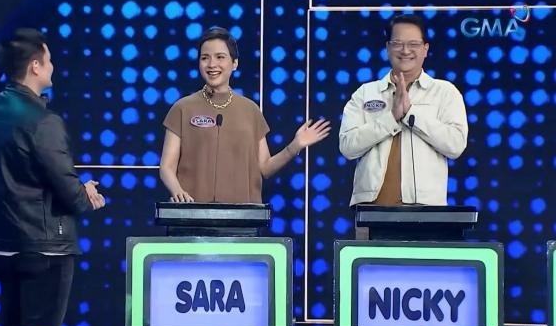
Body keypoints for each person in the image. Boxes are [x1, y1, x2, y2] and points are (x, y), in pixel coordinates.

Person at [0, 28, 105, 326]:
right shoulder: (44, 121)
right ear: (35, 66)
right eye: (48, 60)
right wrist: (85, 193)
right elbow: (68, 190)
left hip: (1, 246)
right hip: (43, 249)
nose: (52, 66)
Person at [159, 26, 331, 203]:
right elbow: (166, 167)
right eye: (205, 58)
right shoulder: (182, 108)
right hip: (192, 212)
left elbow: (265, 168)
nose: (211, 64)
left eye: (220, 57)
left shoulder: (250, 110)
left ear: (234, 63)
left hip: (242, 214)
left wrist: (295, 146)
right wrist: (178, 192)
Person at [339, 14, 468, 210]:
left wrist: (410, 114)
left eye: (413, 44)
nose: (405, 50)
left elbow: (455, 145)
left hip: (426, 208)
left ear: (425, 49)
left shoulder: (445, 92)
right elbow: (347, 146)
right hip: (371, 208)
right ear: (388, 48)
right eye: (397, 43)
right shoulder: (366, 93)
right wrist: (390, 119)